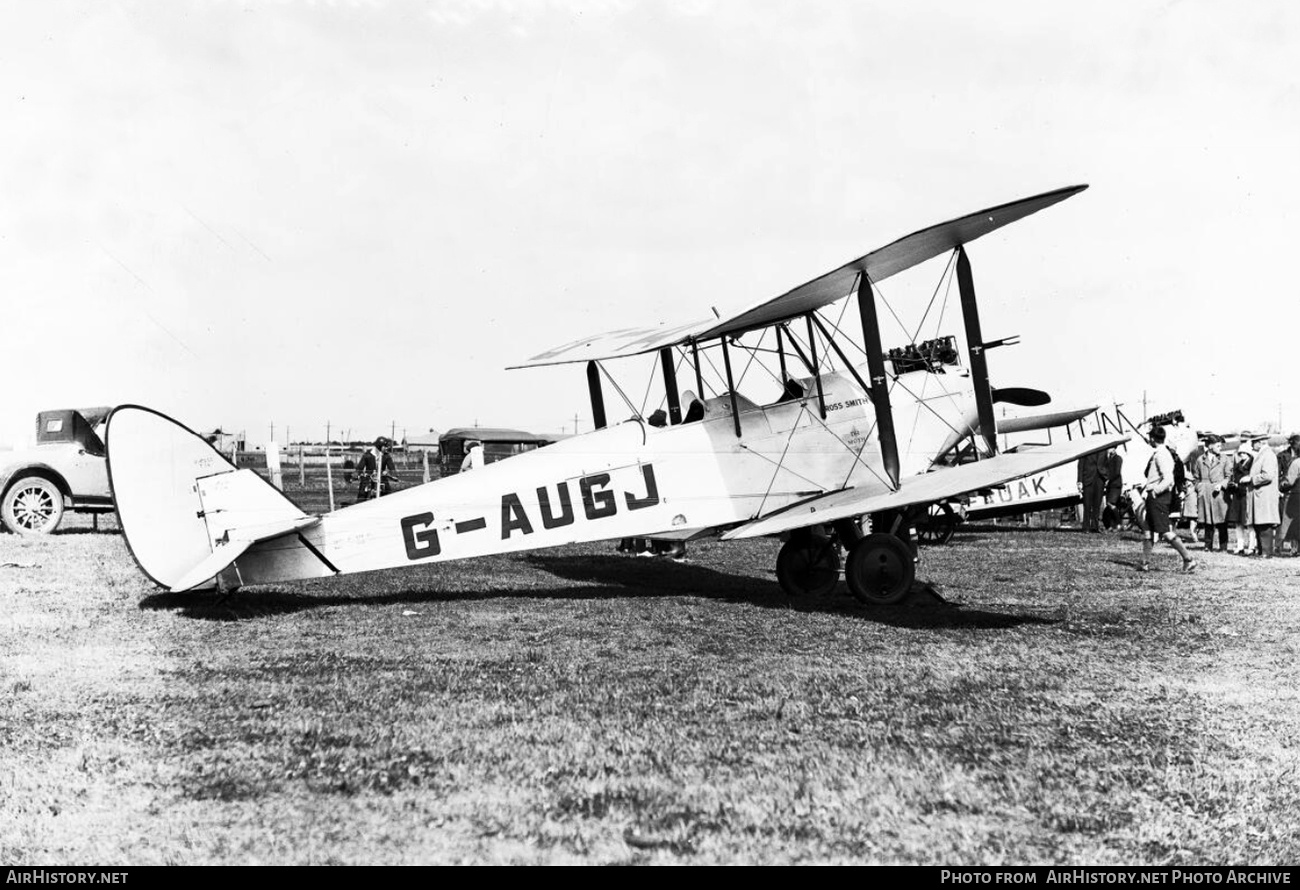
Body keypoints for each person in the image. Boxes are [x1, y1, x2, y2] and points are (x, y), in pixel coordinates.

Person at [1138, 425, 1196, 573]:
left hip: (1158, 497)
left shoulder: (1162, 454)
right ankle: (1144, 563)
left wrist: (1155, 491)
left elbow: (1168, 479)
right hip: (1155, 497)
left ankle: (1188, 559)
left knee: (1164, 531)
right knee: (1148, 529)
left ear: (1152, 438)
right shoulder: (1160, 452)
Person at [1192, 435, 1230, 551]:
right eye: (1218, 446)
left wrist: (1222, 484)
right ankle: (1207, 546)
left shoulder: (1225, 459)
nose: (1220, 448)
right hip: (1205, 494)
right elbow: (1195, 477)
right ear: (1209, 446)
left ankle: (1223, 547)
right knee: (1208, 521)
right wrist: (1199, 487)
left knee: (1222, 520)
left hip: (1220, 495)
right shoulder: (1200, 460)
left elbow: (1229, 476)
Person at [1247, 432, 1280, 558]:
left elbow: (1268, 475)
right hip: (1261, 495)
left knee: (1265, 524)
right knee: (1259, 524)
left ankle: (1266, 552)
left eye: (1253, 442)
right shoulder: (1262, 455)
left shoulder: (1268, 455)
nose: (1251, 445)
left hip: (1265, 495)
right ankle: (1262, 551)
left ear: (1260, 442)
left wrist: (1251, 479)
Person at [1226, 433, 1256, 554]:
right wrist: (1232, 485)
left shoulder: (1253, 465)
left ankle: (1252, 546)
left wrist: (1240, 485)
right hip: (1238, 496)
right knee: (1238, 522)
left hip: (1247, 495)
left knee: (1248, 522)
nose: (1241, 455)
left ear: (1249, 453)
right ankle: (1240, 545)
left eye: (1244, 453)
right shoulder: (1238, 465)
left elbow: (1252, 481)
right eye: (1240, 453)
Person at [355, 436, 396, 501]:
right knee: (362, 493)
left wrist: (388, 472)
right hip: (369, 478)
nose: (386, 448)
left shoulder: (386, 456)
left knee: (389, 493)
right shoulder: (368, 455)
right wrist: (359, 474)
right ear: (380, 446)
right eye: (385, 446)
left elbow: (392, 468)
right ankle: (359, 506)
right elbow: (360, 467)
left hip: (381, 477)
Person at [1077, 438, 1105, 533]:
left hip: (1099, 480)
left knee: (1097, 504)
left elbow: (1107, 464)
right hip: (1088, 480)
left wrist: (1106, 476)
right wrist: (1080, 481)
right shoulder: (1085, 449)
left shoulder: (1103, 449)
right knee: (1087, 505)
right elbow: (1080, 466)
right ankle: (1086, 527)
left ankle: (1095, 527)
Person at [1282, 435, 1300, 556]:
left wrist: (1281, 485)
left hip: (1296, 494)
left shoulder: (1296, 462)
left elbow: (1290, 481)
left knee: (1294, 523)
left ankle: (1295, 549)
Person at [1101, 445, 1124, 531]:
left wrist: (1108, 479)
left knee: (1111, 504)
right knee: (1110, 504)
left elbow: (1116, 472)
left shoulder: (1118, 458)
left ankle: (1118, 524)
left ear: (1114, 448)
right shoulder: (1108, 459)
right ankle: (1112, 525)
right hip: (1111, 485)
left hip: (1115, 484)